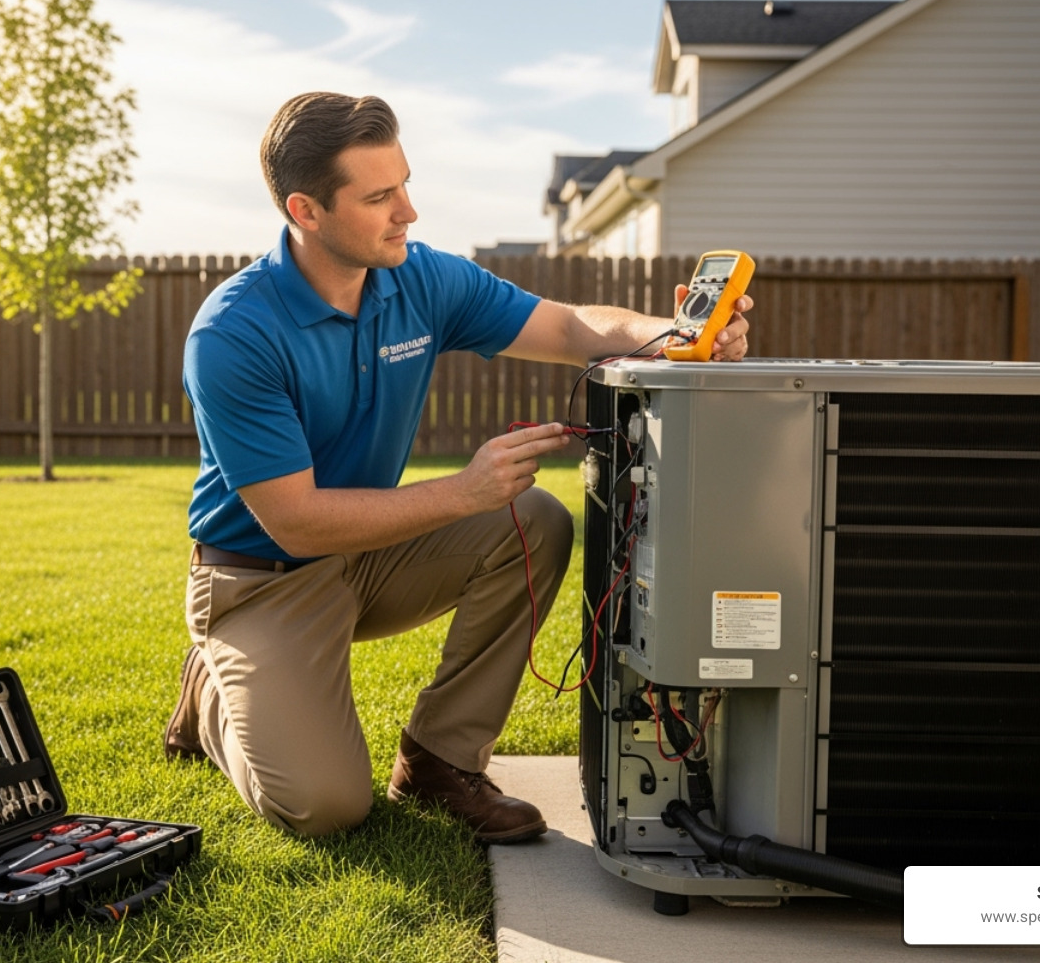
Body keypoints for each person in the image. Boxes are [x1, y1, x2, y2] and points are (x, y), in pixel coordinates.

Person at [164, 92, 751, 843]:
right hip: (260, 579)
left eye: (404, 184)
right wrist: (463, 490)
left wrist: (674, 336)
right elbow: (296, 520)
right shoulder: (234, 333)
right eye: (379, 197)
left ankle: (440, 760)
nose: (407, 211)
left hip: (366, 556)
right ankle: (213, 695)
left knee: (532, 520)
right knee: (326, 807)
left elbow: (571, 328)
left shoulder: (421, 280)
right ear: (306, 211)